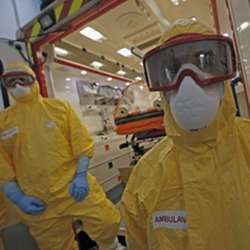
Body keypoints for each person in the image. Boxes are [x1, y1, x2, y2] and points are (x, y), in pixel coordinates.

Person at [121, 19, 250, 250]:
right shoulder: (145, 179)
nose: (188, 82)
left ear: (225, 74)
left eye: (204, 62)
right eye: (172, 70)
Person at [0, 62, 122, 250]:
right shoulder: (4, 122)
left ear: (33, 80)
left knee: (105, 220)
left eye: (22, 79)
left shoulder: (59, 109)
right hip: (36, 196)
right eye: (11, 82)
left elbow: (81, 142)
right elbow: (2, 163)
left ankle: (111, 246)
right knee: (53, 244)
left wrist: (81, 175)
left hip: (72, 185)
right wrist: (17, 197)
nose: (17, 86)